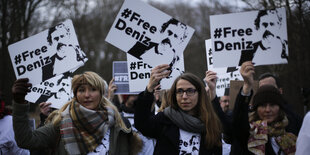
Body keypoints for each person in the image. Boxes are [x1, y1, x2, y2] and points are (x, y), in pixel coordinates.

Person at [12, 71, 142, 155]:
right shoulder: (60, 122)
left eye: (93, 89)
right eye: (81, 90)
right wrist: (19, 103)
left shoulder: (119, 125)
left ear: (102, 94)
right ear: (75, 94)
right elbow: (26, 140)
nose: (87, 95)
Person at [134, 64, 222, 154]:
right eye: (179, 91)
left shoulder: (210, 123)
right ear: (174, 95)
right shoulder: (165, 118)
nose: (184, 96)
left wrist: (212, 92)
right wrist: (149, 89)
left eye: (190, 91)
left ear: (200, 94)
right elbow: (142, 124)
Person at [229, 61, 299, 154]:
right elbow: (237, 122)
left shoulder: (293, 126)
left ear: (280, 107)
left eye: (272, 105)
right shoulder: (250, 132)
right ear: (256, 109)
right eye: (262, 105)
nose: (268, 110)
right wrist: (247, 86)